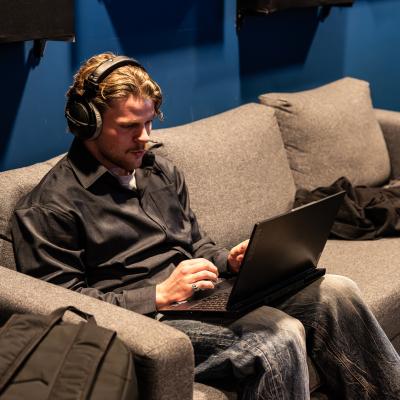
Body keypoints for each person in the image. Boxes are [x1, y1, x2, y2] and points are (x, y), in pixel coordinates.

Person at [11, 52, 400, 399]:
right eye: (130, 126)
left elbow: (197, 243)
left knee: (336, 291)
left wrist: (229, 260)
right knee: (277, 336)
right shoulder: (50, 206)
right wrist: (158, 294)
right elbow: (62, 309)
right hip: (148, 321)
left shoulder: (160, 171)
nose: (144, 138)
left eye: (149, 123)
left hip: (206, 296)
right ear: (87, 124)